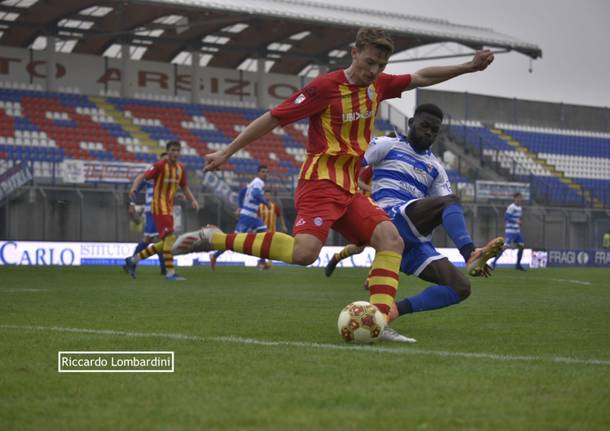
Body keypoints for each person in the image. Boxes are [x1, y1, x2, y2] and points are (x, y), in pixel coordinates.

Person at [178, 27, 494, 333]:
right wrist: (227, 152)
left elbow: (422, 76)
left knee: (391, 240)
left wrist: (469, 67)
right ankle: (215, 237)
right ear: (354, 53)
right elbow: (274, 117)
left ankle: (379, 322)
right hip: (320, 183)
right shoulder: (324, 88)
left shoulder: (379, 86)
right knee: (304, 254)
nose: (374, 70)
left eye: (381, 65)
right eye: (369, 62)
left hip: (350, 188)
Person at [324, 104, 504, 341]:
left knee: (460, 287)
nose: (428, 132)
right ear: (411, 124)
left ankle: (387, 315)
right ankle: (470, 252)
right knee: (448, 202)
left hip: (414, 241)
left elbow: (446, 205)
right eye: (424, 126)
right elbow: (351, 167)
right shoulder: (388, 145)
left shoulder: (436, 168)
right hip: (390, 219)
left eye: (434, 130)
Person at [123, 141, 199, 281]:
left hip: (168, 208)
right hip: (158, 207)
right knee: (167, 238)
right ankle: (169, 273)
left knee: (163, 241)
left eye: (177, 150)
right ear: (168, 151)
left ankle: (133, 260)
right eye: (173, 150)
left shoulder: (180, 168)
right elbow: (142, 176)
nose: (175, 153)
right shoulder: (159, 166)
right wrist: (134, 189)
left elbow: (184, 187)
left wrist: (192, 199)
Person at [210, 165, 271, 270]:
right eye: (263, 172)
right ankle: (215, 256)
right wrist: (266, 203)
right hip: (247, 217)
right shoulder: (259, 182)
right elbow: (256, 194)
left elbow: (242, 193)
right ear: (258, 173)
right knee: (233, 240)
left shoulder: (253, 182)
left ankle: (261, 262)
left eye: (266, 172)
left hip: (253, 217)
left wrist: (240, 206)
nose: (265, 174)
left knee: (265, 235)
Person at [129, 152, 168, 276]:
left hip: (162, 211)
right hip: (152, 210)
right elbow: (136, 189)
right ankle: (131, 263)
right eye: (163, 160)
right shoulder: (151, 173)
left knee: (160, 240)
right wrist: (132, 204)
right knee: (150, 239)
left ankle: (163, 269)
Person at [492, 192, 526, 271]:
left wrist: (518, 222)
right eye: (519, 198)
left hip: (517, 231)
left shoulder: (520, 208)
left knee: (521, 246)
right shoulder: (511, 207)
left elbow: (517, 218)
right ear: (515, 198)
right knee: (505, 247)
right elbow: (506, 217)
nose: (520, 199)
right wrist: (516, 221)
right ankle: (493, 262)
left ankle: (518, 265)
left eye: (521, 198)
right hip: (510, 231)